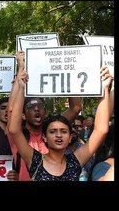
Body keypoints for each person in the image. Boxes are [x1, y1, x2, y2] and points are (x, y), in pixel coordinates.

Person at [7, 52, 112, 181]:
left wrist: (104, 89)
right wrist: (21, 88)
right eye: (52, 131)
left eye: (63, 131)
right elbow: (14, 129)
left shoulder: (76, 160)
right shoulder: (34, 160)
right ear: (44, 137)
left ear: (70, 137)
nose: (58, 135)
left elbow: (100, 130)